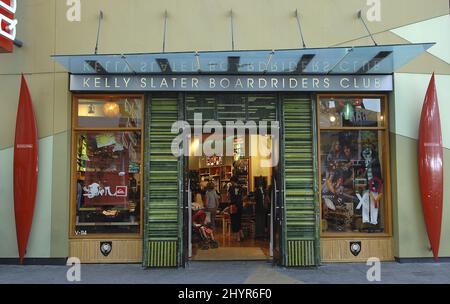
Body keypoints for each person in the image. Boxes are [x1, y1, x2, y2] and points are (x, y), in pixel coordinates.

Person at [228, 176, 244, 242]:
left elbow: (228, 197)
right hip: (240, 206)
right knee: (239, 220)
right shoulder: (241, 187)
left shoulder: (231, 188)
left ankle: (238, 237)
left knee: (234, 221)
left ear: (232, 181)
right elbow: (242, 197)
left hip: (233, 206)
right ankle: (241, 235)